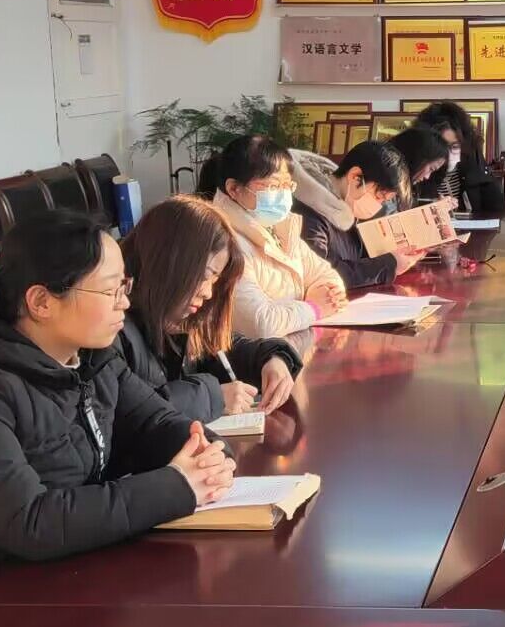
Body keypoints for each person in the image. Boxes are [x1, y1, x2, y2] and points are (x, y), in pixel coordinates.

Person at [0, 210, 237, 627]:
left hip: (43, 581)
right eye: (110, 290)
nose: (124, 303)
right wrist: (178, 485)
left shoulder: (92, 357)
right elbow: (30, 521)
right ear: (41, 302)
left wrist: (206, 453)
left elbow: (156, 424)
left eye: (124, 286)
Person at [118, 195, 304, 424]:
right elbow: (131, 414)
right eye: (205, 276)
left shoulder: (178, 320)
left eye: (215, 281)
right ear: (169, 264)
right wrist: (213, 397)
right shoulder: (115, 331)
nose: (208, 293)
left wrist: (272, 358)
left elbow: (223, 348)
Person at [205, 135, 348, 341]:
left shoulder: (279, 229)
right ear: (234, 189)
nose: (283, 195)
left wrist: (321, 294)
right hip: (250, 355)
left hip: (291, 344)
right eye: (272, 186)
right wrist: (314, 308)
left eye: (287, 186)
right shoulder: (223, 242)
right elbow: (260, 323)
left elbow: (327, 275)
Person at [290, 139, 423, 289]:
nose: (379, 206)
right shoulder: (308, 211)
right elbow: (320, 273)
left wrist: (392, 252)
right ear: (355, 177)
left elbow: (353, 256)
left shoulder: (346, 207)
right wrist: (389, 265)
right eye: (379, 197)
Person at [412, 101, 505, 216]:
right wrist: (430, 208)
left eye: (455, 146)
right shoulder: (419, 171)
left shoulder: (473, 162)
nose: (448, 154)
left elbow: (496, 209)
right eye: (442, 146)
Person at [390, 124, 452, 209]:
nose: (427, 177)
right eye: (431, 169)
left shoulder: (401, 186)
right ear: (417, 159)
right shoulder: (385, 188)